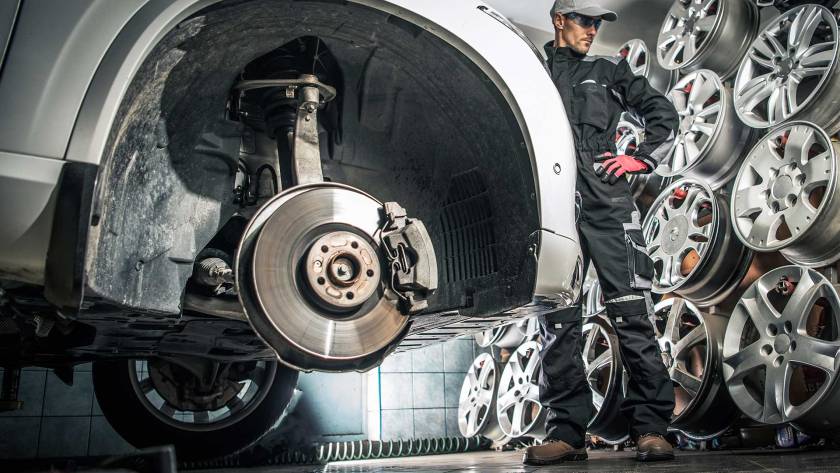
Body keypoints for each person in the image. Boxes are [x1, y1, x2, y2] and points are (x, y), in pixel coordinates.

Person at [523, 0, 679, 465]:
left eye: (597, 23)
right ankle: (567, 433)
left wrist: (641, 157)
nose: (592, 30)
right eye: (585, 21)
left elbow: (662, 113)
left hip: (607, 204)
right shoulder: (530, 71)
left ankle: (651, 428)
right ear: (560, 21)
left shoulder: (609, 68)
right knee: (558, 323)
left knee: (632, 315)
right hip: (552, 204)